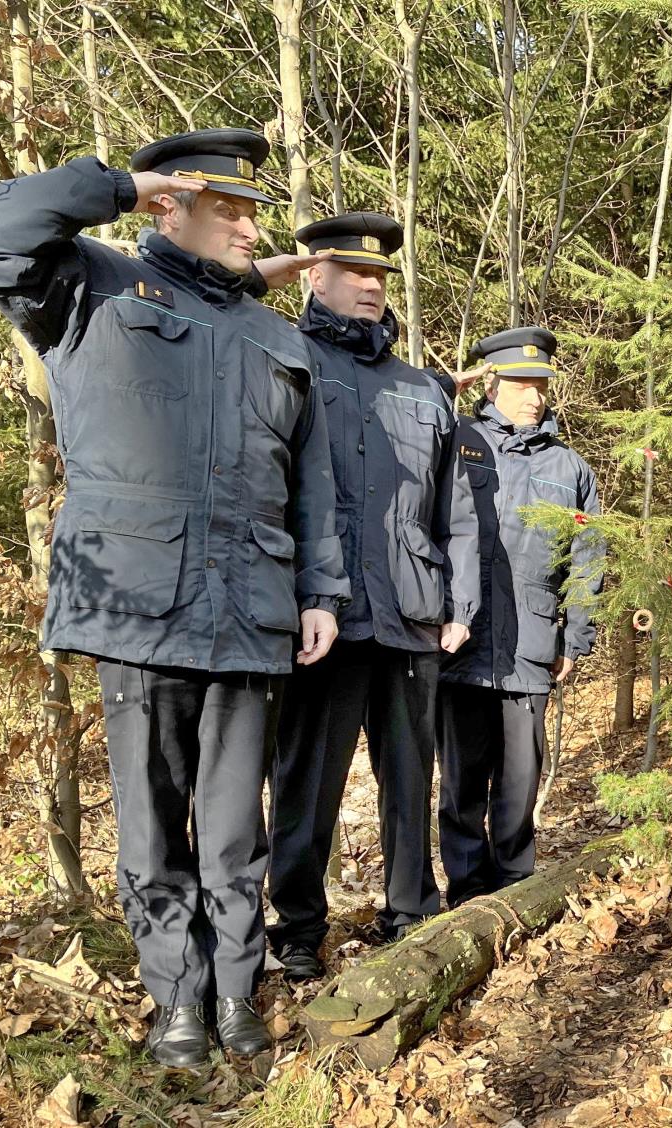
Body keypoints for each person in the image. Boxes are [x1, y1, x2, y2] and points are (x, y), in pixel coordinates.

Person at [0, 129, 346, 1068]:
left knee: (232, 826)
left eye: (256, 212)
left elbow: (314, 482)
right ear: (170, 202)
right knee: (151, 819)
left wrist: (321, 590)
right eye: (233, 209)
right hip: (139, 603)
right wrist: (119, 188)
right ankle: (176, 998)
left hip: (250, 606)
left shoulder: (275, 334)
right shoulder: (90, 283)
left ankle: (234, 991)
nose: (253, 227)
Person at [266, 212, 479, 972]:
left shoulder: (423, 389)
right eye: (353, 273)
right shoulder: (283, 357)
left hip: (411, 615)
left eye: (380, 276)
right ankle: (295, 928)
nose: (368, 286)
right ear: (313, 276)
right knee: (307, 781)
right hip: (323, 617)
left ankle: (409, 913)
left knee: (410, 776)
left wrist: (462, 603)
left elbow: (456, 508)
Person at [437, 327, 603, 906]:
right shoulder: (455, 442)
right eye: (523, 383)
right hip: (459, 640)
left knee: (518, 778)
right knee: (461, 776)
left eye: (542, 384)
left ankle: (512, 883)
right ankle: (464, 887)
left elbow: (586, 562)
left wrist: (574, 638)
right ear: (493, 383)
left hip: (531, 642)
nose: (535, 395)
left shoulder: (570, 468)